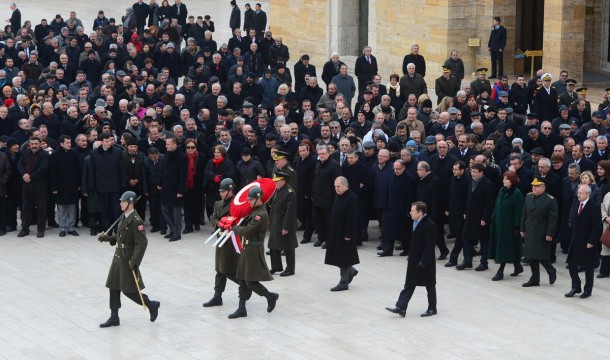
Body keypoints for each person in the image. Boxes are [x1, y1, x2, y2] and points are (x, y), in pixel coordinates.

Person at [97, 191, 160, 328]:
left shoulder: (136, 221)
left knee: (129, 290)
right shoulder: (124, 217)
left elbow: (142, 243)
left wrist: (134, 261)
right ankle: (114, 317)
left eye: (123, 202)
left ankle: (150, 304)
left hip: (127, 259)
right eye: (121, 202)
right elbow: (121, 239)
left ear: (131, 203)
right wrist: (108, 238)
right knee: (113, 287)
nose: (120, 204)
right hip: (118, 256)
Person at [228, 186, 279, 319]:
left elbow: (247, 231)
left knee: (250, 281)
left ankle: (270, 296)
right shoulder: (254, 212)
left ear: (258, 199)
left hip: (253, 250)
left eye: (251, 200)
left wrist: (234, 228)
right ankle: (241, 308)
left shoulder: (260, 215)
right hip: (247, 248)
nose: (249, 202)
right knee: (243, 279)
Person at [385, 201, 438, 318]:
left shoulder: (430, 225)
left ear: (420, 212)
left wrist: (424, 261)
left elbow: (430, 246)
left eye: (413, 211)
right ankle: (401, 307)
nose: (410, 213)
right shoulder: (415, 222)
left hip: (425, 261)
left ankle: (432, 308)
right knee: (409, 284)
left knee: (429, 285)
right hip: (414, 259)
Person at [203, 178, 241, 307]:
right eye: (221, 191)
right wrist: (219, 223)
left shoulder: (237, 204)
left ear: (230, 191)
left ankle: (248, 285)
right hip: (221, 239)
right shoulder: (218, 204)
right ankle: (217, 296)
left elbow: (235, 219)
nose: (221, 193)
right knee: (220, 269)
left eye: (224, 191)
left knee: (227, 269)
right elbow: (213, 217)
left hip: (231, 240)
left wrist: (225, 224)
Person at [520, 178, 558, 287]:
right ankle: (534, 278)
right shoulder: (529, 196)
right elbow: (524, 213)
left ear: (543, 187)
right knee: (531, 255)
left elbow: (553, 219)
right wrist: (522, 228)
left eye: (536, 186)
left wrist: (550, 234)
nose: (534, 188)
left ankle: (551, 270)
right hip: (530, 228)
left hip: (542, 230)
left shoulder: (550, 200)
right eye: (533, 186)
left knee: (541, 255)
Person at [566, 184, 602, 298]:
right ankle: (576, 287)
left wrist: (591, 241)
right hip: (576, 240)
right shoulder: (577, 203)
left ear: (588, 194)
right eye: (578, 192)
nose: (578, 194)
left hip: (588, 242)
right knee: (571, 265)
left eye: (581, 193)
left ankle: (587, 290)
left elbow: (597, 226)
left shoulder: (594, 206)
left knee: (588, 267)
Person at [457, 162, 495, 271]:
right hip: (470, 214)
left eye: (475, 172)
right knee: (465, 236)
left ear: (481, 173)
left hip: (481, 217)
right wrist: (465, 211)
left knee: (483, 240)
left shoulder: (488, 185)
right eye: (472, 171)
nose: (472, 174)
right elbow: (468, 198)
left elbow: (489, 204)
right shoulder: (470, 181)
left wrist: (485, 218)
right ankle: (467, 260)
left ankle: (484, 262)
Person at [325, 176, 359, 291]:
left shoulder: (351, 198)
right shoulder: (339, 196)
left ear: (345, 185)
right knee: (337, 256)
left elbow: (351, 218)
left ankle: (344, 282)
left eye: (338, 186)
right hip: (336, 231)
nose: (336, 189)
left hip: (345, 234)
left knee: (343, 257)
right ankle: (351, 271)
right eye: (335, 187)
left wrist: (348, 234)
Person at [488, 171, 524, 280]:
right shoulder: (501, 191)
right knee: (506, 248)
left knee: (504, 249)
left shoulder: (517, 193)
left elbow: (519, 212)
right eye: (503, 178)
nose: (504, 180)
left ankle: (500, 271)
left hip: (509, 226)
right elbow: (497, 205)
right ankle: (517, 266)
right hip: (499, 224)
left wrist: (517, 227)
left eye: (506, 179)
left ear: (512, 181)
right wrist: (493, 218)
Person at [17, 137, 49, 238]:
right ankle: (25, 229)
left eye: (36, 144)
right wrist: (23, 175)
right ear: (29, 144)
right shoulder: (26, 152)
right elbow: (20, 165)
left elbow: (43, 168)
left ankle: (41, 230)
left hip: (40, 186)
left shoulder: (44, 154)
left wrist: (30, 176)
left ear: (40, 144)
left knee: (41, 209)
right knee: (26, 208)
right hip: (26, 185)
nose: (34, 146)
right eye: (32, 144)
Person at [49, 135, 81, 237]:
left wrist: (79, 184)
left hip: (72, 185)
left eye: (70, 142)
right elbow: (52, 173)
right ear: (61, 144)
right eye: (67, 143)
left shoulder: (74, 154)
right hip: (60, 186)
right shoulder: (55, 155)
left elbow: (78, 170)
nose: (69, 144)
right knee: (61, 208)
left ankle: (71, 228)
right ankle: (62, 228)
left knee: (72, 208)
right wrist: (53, 187)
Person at [268, 171, 298, 276]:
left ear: (283, 181)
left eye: (277, 181)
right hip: (276, 221)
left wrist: (285, 227)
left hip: (285, 222)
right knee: (273, 245)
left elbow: (290, 212)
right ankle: (276, 267)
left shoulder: (290, 192)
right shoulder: (277, 190)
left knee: (288, 246)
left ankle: (290, 268)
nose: (275, 183)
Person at [160, 136, 187, 242]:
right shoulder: (166, 155)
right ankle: (172, 228)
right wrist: (160, 183)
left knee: (176, 212)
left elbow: (183, 175)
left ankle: (177, 233)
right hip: (166, 187)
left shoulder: (182, 157)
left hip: (176, 189)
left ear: (175, 145)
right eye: (166, 144)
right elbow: (163, 170)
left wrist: (181, 191)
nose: (166, 146)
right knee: (164, 208)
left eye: (168, 144)